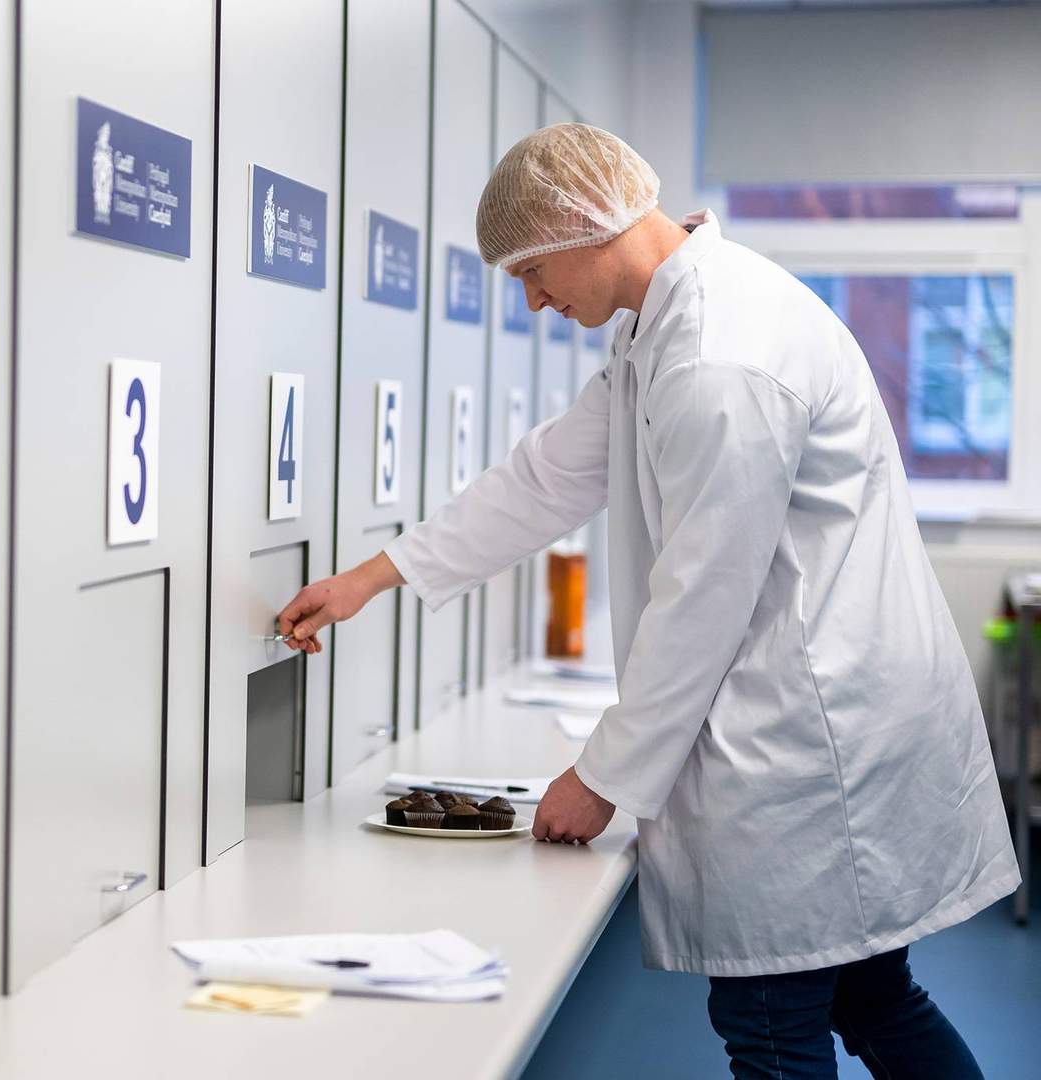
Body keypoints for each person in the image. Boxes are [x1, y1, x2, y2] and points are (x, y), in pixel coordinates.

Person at [275, 123, 1017, 1079]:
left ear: (586, 226)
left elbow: (704, 595)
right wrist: (373, 578)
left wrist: (605, 778)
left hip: (811, 745)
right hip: (815, 726)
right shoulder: (664, 325)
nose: (536, 301)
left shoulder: (719, 355)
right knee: (874, 1000)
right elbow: (548, 476)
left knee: (774, 1028)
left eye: (534, 273)